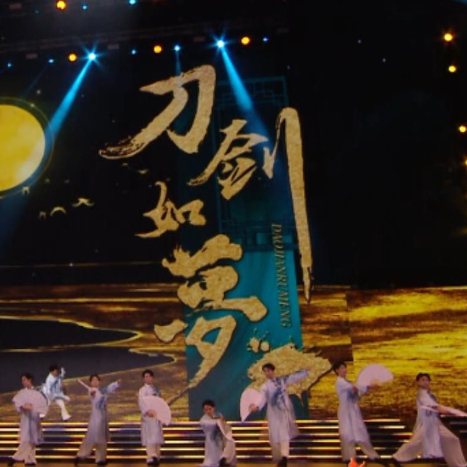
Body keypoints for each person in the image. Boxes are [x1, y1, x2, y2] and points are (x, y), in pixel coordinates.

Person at [393, 372, 467, 467]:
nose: (425, 382)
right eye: (422, 380)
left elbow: (436, 407)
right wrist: (454, 412)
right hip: (426, 423)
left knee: (452, 439)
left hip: (435, 423)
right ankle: (397, 457)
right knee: (416, 442)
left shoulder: (430, 395)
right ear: (418, 382)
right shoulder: (421, 394)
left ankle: (459, 464)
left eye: (427, 380)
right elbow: (436, 407)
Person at [249, 363, 309, 467]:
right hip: (274, 414)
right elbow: (262, 399)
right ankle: (281, 457)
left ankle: (284, 457)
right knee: (276, 436)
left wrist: (305, 372)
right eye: (265, 371)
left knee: (284, 434)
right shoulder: (265, 387)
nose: (267, 373)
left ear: (273, 371)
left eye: (268, 370)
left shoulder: (281, 380)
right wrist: (257, 406)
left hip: (284, 411)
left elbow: (293, 378)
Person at [332, 361, 380, 462]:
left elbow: (355, 393)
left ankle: (371, 455)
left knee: (359, 431)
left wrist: (360, 391)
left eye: (345, 368)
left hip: (353, 410)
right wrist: (368, 386)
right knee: (347, 433)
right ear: (337, 371)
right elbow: (353, 387)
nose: (344, 370)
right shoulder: (340, 382)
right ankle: (349, 458)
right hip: (346, 411)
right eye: (341, 368)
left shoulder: (347, 382)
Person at [74, 375, 122, 466]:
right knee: (92, 438)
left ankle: (100, 459)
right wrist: (92, 393)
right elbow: (92, 394)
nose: (95, 381)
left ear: (99, 381)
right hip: (95, 418)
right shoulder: (91, 391)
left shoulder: (102, 391)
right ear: (91, 382)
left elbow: (108, 389)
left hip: (103, 417)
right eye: (93, 380)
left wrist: (116, 384)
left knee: (102, 439)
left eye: (96, 380)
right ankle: (80, 456)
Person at [8, 373, 44, 466]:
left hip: (34, 419)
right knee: (26, 439)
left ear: (29, 380)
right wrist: (23, 406)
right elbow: (18, 404)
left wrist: (34, 407)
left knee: (32, 440)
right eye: (22, 380)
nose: (23, 382)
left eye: (24, 380)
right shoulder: (22, 392)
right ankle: (15, 458)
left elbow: (41, 405)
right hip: (26, 419)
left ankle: (30, 461)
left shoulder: (37, 391)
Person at [138, 369, 164, 466]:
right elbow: (141, 403)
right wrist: (147, 412)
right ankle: (151, 457)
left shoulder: (156, 390)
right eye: (146, 377)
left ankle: (157, 456)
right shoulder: (142, 390)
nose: (148, 378)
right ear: (143, 379)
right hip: (148, 418)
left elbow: (160, 401)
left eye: (149, 376)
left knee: (156, 437)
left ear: (152, 378)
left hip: (156, 417)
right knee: (150, 438)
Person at [200, 400, 237, 467]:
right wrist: (219, 420)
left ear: (213, 408)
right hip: (212, 441)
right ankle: (221, 461)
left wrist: (223, 422)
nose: (208, 411)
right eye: (206, 410)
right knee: (212, 462)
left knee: (231, 441)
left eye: (210, 409)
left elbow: (225, 426)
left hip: (221, 439)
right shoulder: (203, 420)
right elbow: (213, 423)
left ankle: (224, 459)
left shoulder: (218, 415)